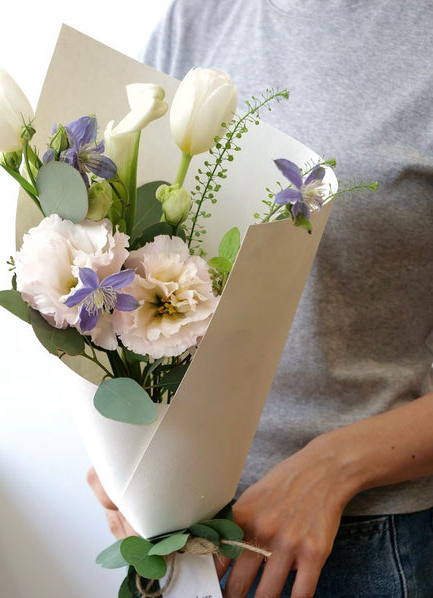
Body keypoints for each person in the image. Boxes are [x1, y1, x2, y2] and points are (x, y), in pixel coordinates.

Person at [89, 1, 433, 596]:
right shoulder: (195, 19)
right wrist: (119, 443)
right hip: (175, 530)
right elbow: (124, 256)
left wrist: (336, 466)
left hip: (357, 544)